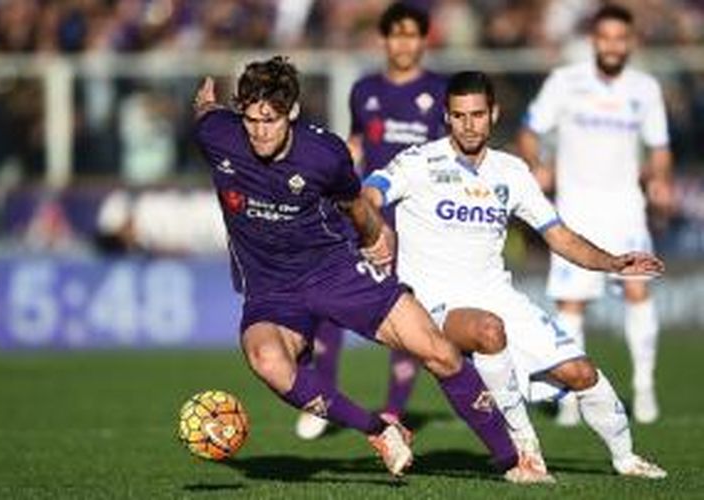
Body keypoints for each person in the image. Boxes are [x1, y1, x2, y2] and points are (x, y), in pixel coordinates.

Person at [192, 56, 547, 482]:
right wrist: (205, 104)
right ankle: (379, 430)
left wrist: (375, 236)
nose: (259, 131)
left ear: (294, 113)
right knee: (267, 360)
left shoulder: (323, 153)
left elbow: (355, 204)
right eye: (250, 119)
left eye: (271, 120)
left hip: (335, 271)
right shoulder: (218, 136)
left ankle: (512, 461)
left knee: (438, 351)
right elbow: (207, 114)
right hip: (271, 291)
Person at [361, 70, 667, 479]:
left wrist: (612, 262)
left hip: (498, 295)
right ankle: (526, 453)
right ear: (447, 118)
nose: (469, 124)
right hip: (432, 303)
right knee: (488, 330)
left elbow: (558, 235)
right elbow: (369, 194)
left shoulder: (512, 172)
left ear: (494, 114)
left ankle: (627, 459)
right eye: (459, 115)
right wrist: (374, 228)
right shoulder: (418, 162)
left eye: (477, 114)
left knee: (582, 373)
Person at [296, 1, 447, 441]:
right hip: (363, 213)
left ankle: (394, 412)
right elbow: (358, 143)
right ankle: (322, 401)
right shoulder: (363, 90)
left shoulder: (440, 91)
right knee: (330, 304)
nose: (403, 42)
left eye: (412, 34)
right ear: (383, 40)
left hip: (415, 218)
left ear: (424, 40)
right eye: (396, 34)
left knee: (404, 312)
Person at [516, 4, 673, 425]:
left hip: (626, 208)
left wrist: (659, 178)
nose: (612, 45)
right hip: (577, 208)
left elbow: (659, 147)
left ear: (630, 42)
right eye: (605, 37)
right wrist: (538, 165)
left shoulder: (645, 88)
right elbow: (530, 130)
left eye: (620, 38)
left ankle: (644, 388)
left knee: (639, 292)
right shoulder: (566, 82)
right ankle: (571, 396)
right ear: (594, 41)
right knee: (572, 303)